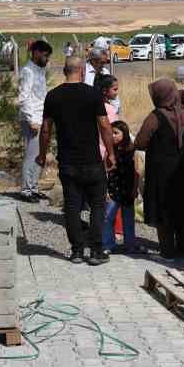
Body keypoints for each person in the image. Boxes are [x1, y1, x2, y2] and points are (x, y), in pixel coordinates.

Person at [39, 56, 115, 264]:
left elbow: (46, 129)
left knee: (72, 206)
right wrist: (111, 153)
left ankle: (77, 251)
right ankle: (97, 251)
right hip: (91, 160)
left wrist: (42, 154)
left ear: (65, 70)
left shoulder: (53, 96)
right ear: (82, 71)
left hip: (68, 162)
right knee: (97, 205)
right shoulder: (92, 94)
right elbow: (105, 126)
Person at [136, 77, 184, 259]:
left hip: (161, 171)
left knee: (163, 209)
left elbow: (140, 142)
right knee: (183, 208)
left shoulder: (155, 117)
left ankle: (167, 251)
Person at [17, 40, 52, 200]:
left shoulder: (40, 70)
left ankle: (34, 186)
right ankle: (26, 189)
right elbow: (24, 98)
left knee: (40, 154)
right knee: (31, 154)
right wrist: (31, 120)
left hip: (41, 116)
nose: (47, 59)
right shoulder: (28, 71)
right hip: (32, 118)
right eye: (45, 55)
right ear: (36, 53)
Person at [103, 119, 140, 255]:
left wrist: (135, 189)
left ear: (124, 134)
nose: (112, 136)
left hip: (127, 188)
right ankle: (108, 244)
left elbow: (136, 172)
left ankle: (130, 244)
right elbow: (105, 170)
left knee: (128, 218)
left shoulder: (132, 150)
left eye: (116, 133)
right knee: (108, 217)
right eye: (111, 133)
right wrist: (105, 190)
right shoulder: (110, 150)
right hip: (113, 188)